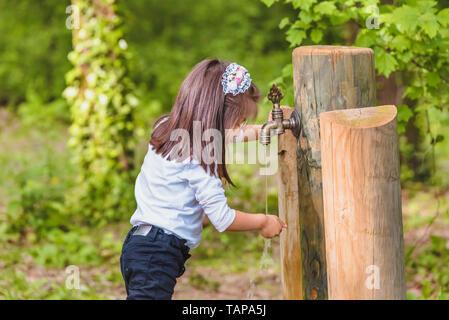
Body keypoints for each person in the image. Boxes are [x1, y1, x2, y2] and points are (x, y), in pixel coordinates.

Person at [120, 59, 287, 300]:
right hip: (157, 255)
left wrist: (263, 130)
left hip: (139, 245)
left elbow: (223, 135)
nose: (241, 127)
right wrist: (263, 222)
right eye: (240, 121)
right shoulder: (198, 158)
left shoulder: (168, 128)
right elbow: (222, 218)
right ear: (219, 115)